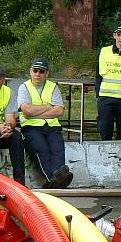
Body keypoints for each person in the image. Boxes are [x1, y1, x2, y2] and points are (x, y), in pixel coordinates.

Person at [17, 58, 73, 188]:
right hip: (31, 127)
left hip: (52, 126)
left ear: (46, 73)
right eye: (35, 71)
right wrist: (49, 105)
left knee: (58, 149)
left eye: (41, 71)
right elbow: (27, 111)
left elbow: (59, 110)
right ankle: (54, 179)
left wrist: (35, 111)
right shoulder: (24, 87)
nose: (38, 74)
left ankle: (55, 181)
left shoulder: (53, 87)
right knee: (41, 149)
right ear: (30, 72)